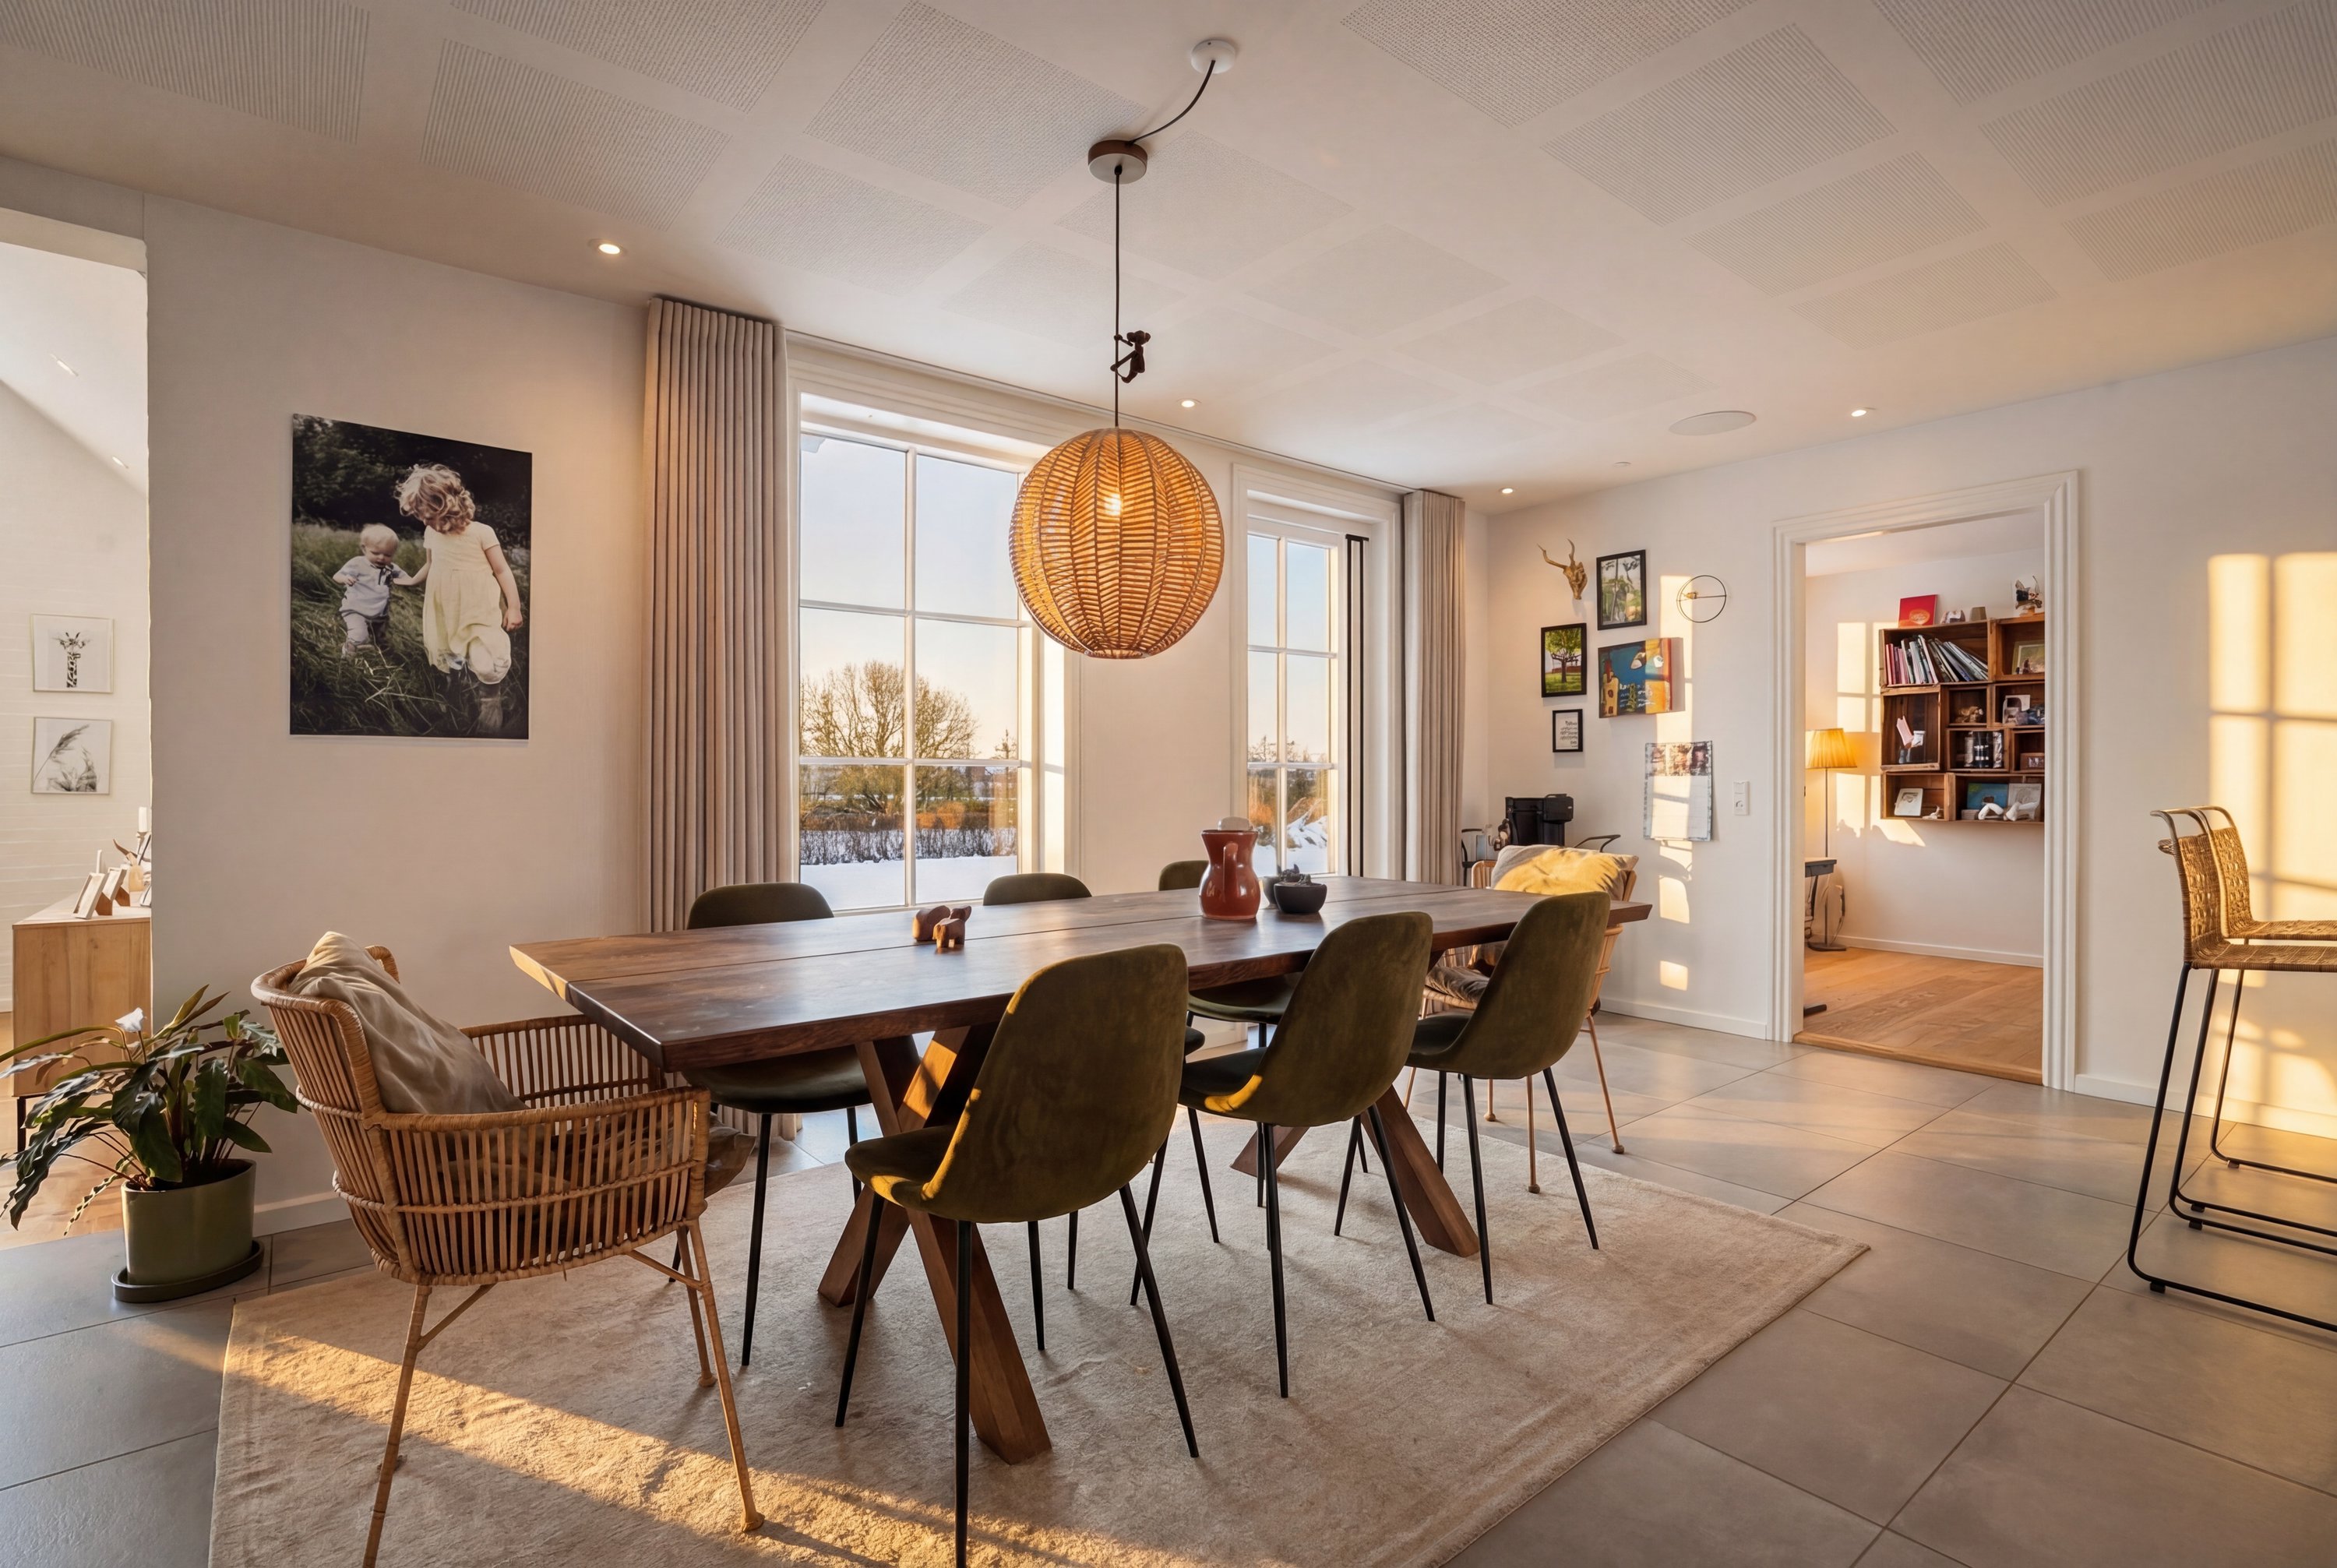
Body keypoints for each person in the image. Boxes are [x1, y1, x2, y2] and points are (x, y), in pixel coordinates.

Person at [395, 463, 525, 731]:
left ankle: (490, 699)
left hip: (478, 606)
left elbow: (502, 570)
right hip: (446, 606)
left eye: (427, 515)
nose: (424, 522)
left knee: (485, 657)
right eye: (420, 517)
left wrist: (514, 607)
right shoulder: (431, 532)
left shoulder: (481, 532)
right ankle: (457, 696)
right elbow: (431, 564)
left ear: (446, 505)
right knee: (452, 651)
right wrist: (411, 580)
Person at [330, 523, 418, 657]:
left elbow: (408, 579)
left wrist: (414, 580)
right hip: (356, 610)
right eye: (376, 553)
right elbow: (337, 576)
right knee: (359, 635)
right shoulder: (357, 563)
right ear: (364, 549)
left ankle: (377, 656)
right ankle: (348, 658)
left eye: (388, 555)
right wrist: (345, 578)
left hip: (380, 614)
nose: (382, 558)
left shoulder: (391, 568)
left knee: (380, 639)